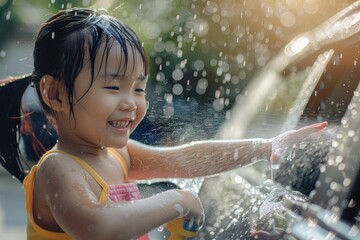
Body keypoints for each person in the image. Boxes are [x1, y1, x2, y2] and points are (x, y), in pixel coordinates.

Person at [0, 8, 328, 240]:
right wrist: (177, 201)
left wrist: (264, 146)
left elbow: (185, 159)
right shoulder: (58, 169)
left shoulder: (118, 155)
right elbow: (97, 227)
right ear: (55, 93)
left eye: (139, 88)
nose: (131, 102)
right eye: (113, 86)